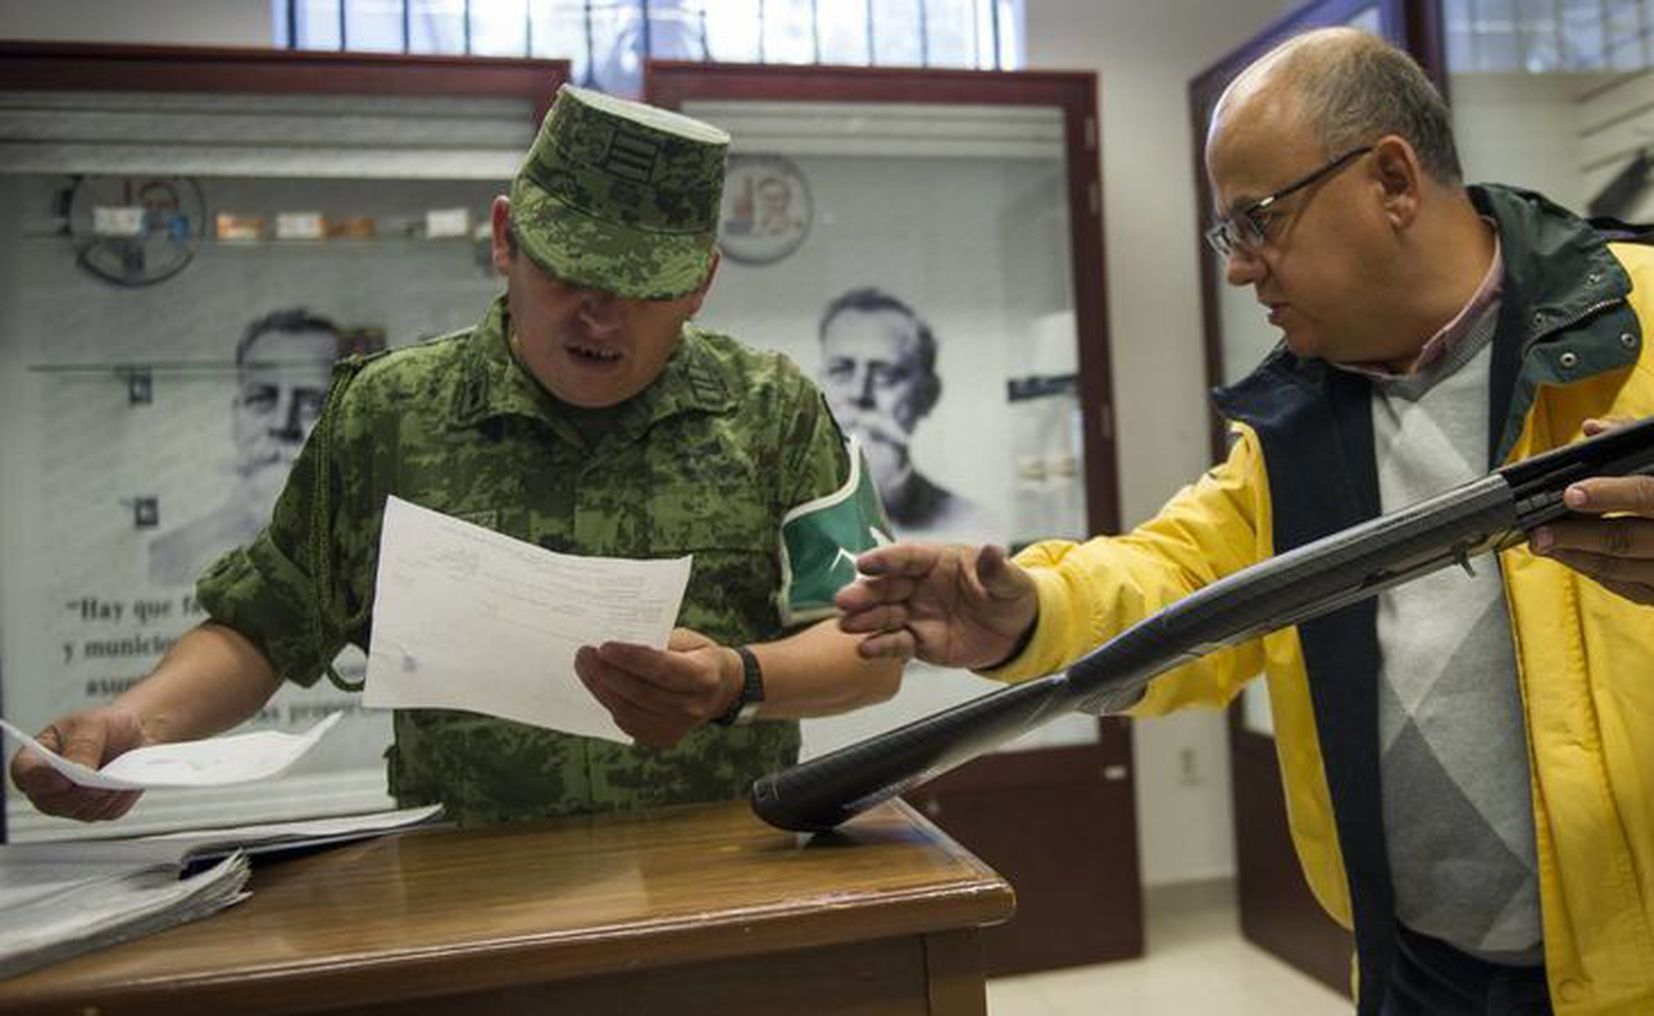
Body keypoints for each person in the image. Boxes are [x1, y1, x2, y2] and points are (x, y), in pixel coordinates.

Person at [837, 29, 1654, 1016]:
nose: (1240, 268)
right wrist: (1025, 615)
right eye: (1230, 235)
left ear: (1390, 179)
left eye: (1256, 221)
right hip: (1417, 972)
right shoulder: (1298, 429)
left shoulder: (1633, 324)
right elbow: (1181, 581)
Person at [12, 84, 901, 827]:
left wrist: (736, 681)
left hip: (711, 871)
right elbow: (266, 622)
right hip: (467, 885)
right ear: (506, 239)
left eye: (639, 285)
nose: (599, 313)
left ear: (700, 283)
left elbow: (875, 647)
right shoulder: (392, 414)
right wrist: (134, 724)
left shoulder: (771, 411)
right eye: (567, 270)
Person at [147, 309, 340, 586]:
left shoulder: (377, 552)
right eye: (262, 398)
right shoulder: (173, 555)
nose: (282, 424)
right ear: (236, 414)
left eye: (313, 404)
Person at [818, 287, 983, 535]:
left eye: (886, 374)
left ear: (928, 395)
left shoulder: (972, 526)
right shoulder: (774, 518)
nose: (858, 393)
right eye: (841, 370)